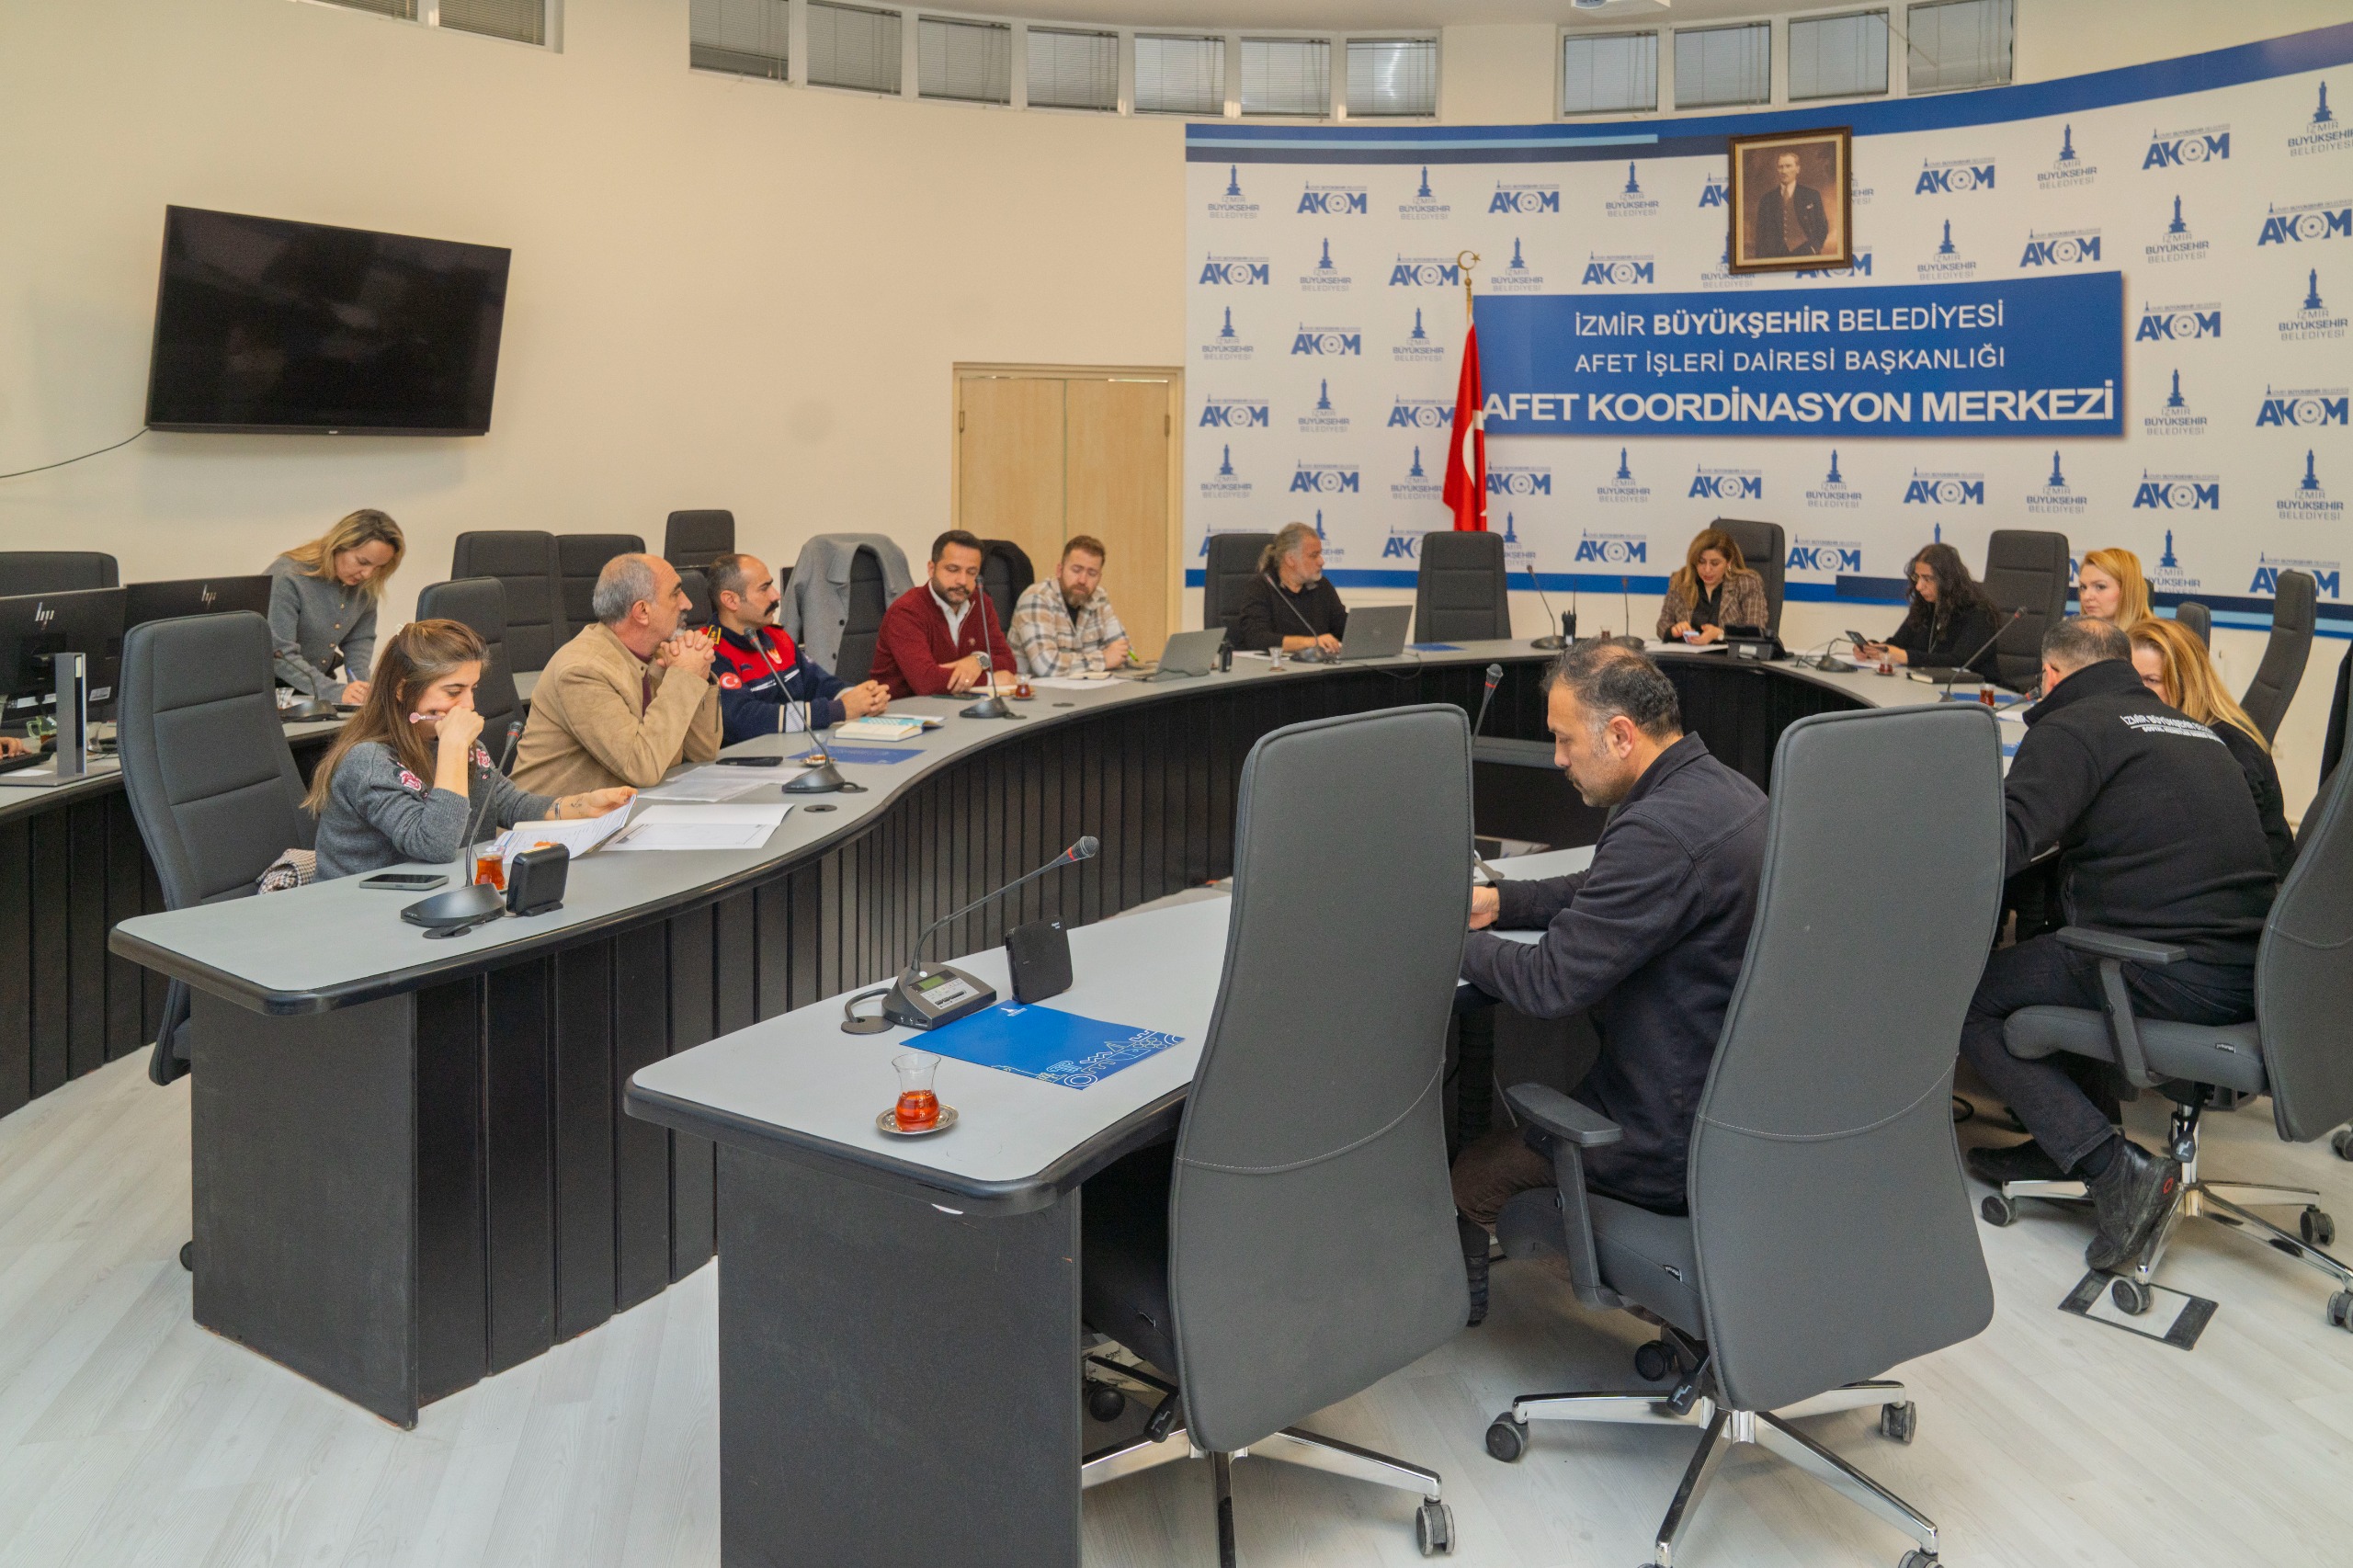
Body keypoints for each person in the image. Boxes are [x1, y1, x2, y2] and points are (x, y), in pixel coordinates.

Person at [1959, 619, 2278, 1272]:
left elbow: (1998, 844)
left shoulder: (2073, 729)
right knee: (2061, 949)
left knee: (1969, 1000)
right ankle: (2063, 1143)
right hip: (2253, 973)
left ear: (2051, 675)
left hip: (2171, 970)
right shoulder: (2194, 730)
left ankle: (2110, 1168)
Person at [1450, 642, 1769, 1278]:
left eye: (1565, 739)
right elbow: (1603, 884)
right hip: (1729, 1115)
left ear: (1621, 735)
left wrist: (1445, 939)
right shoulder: (1723, 791)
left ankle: (1648, 1286)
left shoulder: (1658, 831)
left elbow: (1549, 983)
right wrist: (1502, 902)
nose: (1557, 758)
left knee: (1471, 1180)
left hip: (1656, 1138)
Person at [308, 619, 633, 881]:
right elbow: (434, 844)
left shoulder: (459, 745)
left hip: (435, 896)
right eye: (454, 692)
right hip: (361, 912)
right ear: (403, 690)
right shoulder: (368, 761)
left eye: (472, 689)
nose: (469, 705)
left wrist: (581, 805)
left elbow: (510, 804)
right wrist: (452, 749)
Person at [512, 554, 722, 795]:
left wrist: (698, 675)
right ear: (642, 611)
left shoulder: (660, 654)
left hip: (631, 808)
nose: (687, 604)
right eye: (676, 594)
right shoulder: (582, 670)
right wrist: (684, 675)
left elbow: (703, 752)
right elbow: (641, 767)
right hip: (554, 817)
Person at [2129, 616, 2296, 879]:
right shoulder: (2159, 728)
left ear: (2185, 683)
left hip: (2251, 888)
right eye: (2132, 678)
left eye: (2151, 680)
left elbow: (2235, 848)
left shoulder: (2230, 746)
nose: (2138, 691)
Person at [707, 552, 890, 744]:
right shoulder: (710, 652)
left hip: (796, 747)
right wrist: (838, 710)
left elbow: (818, 683)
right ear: (731, 600)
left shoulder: (776, 636)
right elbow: (743, 719)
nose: (776, 595)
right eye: (764, 588)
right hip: (751, 758)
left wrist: (864, 698)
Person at [268, 508, 404, 703]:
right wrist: (336, 692)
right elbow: (280, 654)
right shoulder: (287, 577)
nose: (368, 574)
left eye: (378, 567)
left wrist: (362, 689)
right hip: (273, 692)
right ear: (338, 545)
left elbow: (359, 640)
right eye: (362, 562)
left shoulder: (364, 585)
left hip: (315, 692)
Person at [870, 529, 1019, 699]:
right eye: (953, 569)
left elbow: (1008, 662)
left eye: (971, 572)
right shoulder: (906, 611)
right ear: (931, 569)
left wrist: (978, 660)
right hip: (903, 710)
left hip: (959, 705)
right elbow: (926, 683)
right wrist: (991, 679)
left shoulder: (980, 602)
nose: (962, 581)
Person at [1858, 541, 2002, 678]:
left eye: (1927, 579)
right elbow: (1899, 644)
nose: (1919, 586)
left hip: (1976, 691)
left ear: (1947, 580)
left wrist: (1905, 657)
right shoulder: (1925, 606)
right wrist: (1874, 649)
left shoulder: (1979, 612)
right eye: (1917, 577)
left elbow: (1959, 662)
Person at [1009, 536, 1131, 677]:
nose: (1083, 580)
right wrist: (1103, 659)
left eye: (1092, 574)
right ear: (1059, 570)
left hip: (1086, 688)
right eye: (1076, 570)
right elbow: (1047, 666)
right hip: (1034, 689)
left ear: (1099, 577)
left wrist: (1114, 656)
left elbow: (1124, 653)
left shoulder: (1099, 597)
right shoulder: (1036, 598)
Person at [1233, 521, 1347, 654]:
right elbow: (1257, 638)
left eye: (1320, 554)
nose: (1321, 561)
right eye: (1314, 555)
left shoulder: (1322, 586)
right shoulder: (1260, 586)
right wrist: (1311, 642)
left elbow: (1343, 628)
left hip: (1317, 664)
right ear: (1290, 559)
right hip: (1274, 665)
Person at [1655, 528, 1768, 643]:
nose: (1707, 569)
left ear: (1728, 562)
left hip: (1728, 654)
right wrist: (1673, 631)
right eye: (1701, 562)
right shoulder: (1681, 580)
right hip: (1687, 652)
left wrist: (1720, 634)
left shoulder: (1747, 583)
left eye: (1715, 563)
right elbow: (1662, 625)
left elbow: (1755, 630)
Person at [1751, 148, 1827, 258]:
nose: (1784, 171)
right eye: (1780, 167)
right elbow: (1760, 236)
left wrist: (1814, 248)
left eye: (1788, 166)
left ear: (1798, 169)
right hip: (1775, 257)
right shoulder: (1766, 200)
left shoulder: (1811, 195)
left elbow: (1822, 226)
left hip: (1806, 254)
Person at [2076, 548, 2153, 628]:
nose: (2086, 596)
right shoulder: (2077, 632)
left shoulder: (2149, 635)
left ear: (2127, 590)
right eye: (2083, 587)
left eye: (2100, 587)